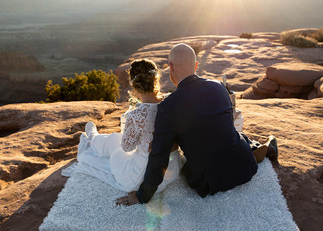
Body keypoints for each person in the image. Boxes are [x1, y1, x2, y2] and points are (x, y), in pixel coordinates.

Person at [117, 43, 278, 206]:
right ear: (195, 66)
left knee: (189, 167)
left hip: (210, 181)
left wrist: (142, 196)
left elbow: (159, 157)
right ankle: (259, 149)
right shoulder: (219, 87)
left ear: (171, 67)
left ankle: (256, 149)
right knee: (235, 135)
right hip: (246, 167)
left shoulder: (169, 105)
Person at [63, 59, 183, 193]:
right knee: (115, 139)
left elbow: (127, 148)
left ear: (134, 84)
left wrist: (137, 135)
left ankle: (93, 138)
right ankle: (94, 138)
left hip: (142, 175)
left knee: (115, 140)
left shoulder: (136, 115)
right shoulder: (171, 100)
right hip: (171, 169)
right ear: (156, 79)